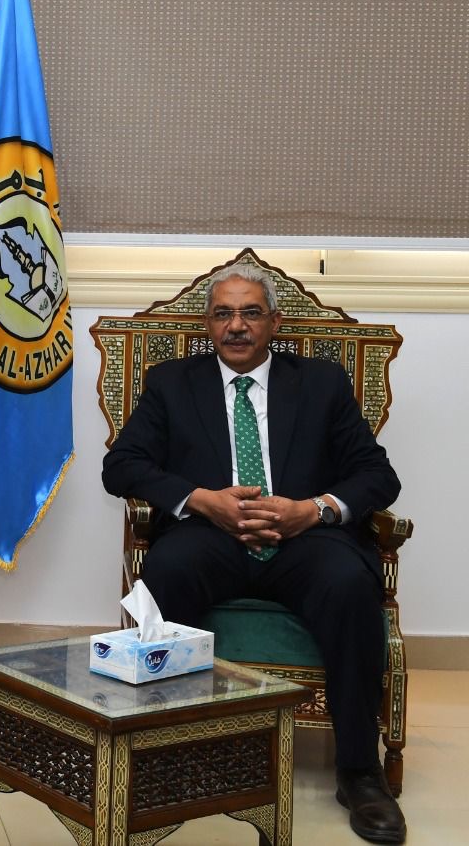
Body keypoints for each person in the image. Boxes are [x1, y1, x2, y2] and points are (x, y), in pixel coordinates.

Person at [102, 262, 405, 845]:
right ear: (207, 325)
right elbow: (121, 467)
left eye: (249, 313)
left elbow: (378, 476)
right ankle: (163, 751)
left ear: (275, 323)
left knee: (349, 584)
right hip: (209, 537)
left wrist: (311, 510)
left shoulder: (321, 383)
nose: (236, 326)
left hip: (304, 540)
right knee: (165, 571)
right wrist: (202, 500)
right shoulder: (172, 383)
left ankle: (360, 773)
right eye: (223, 314)